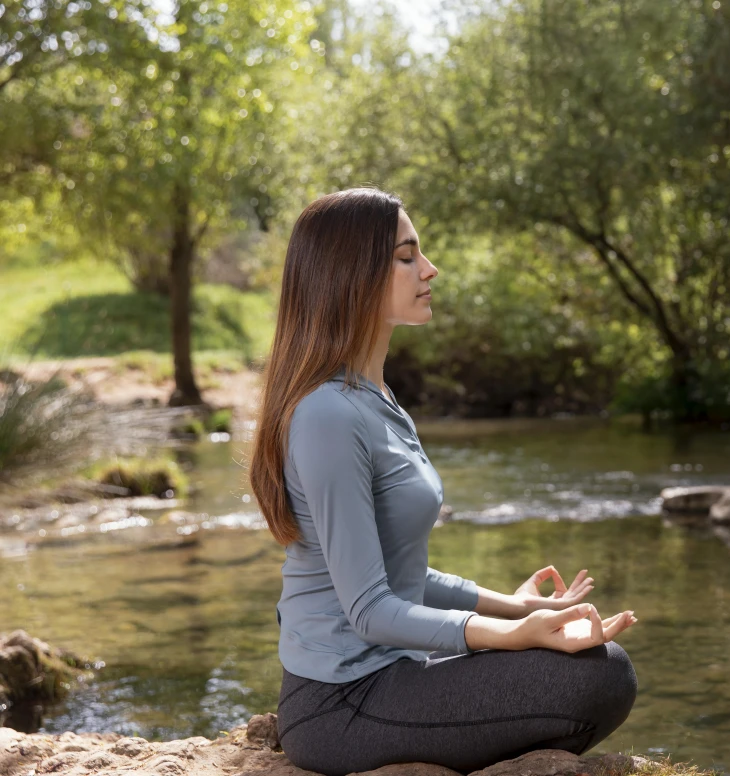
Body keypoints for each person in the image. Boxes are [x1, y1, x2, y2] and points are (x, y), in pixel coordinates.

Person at [248, 187, 638, 776]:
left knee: (601, 664)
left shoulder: (377, 399)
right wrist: (515, 636)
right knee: (604, 674)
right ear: (351, 276)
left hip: (396, 674)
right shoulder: (327, 414)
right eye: (407, 257)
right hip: (341, 705)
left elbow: (400, 572)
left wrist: (514, 607)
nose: (429, 270)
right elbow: (370, 609)